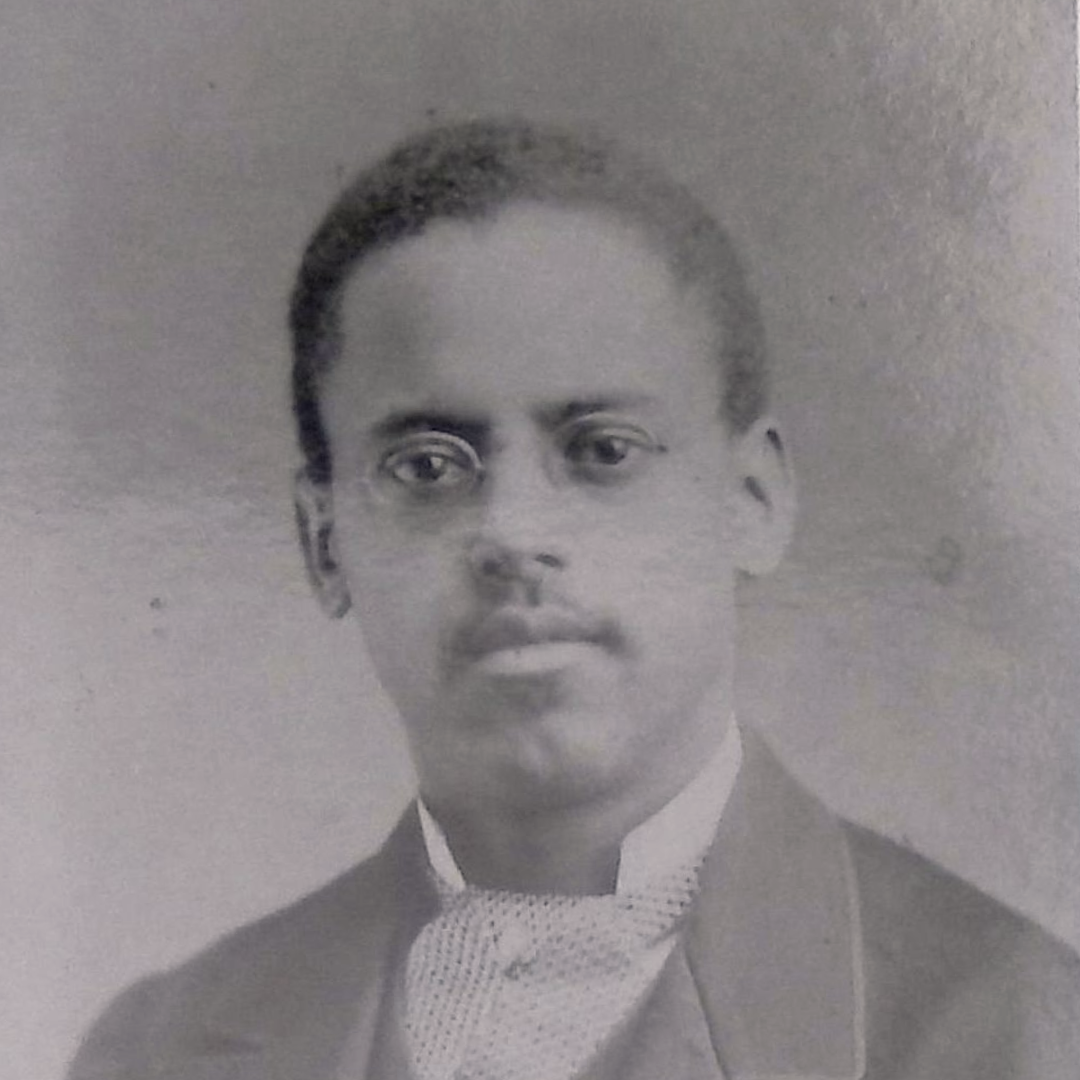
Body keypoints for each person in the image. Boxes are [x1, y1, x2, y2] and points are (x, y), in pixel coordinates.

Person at [68, 118, 1079, 1080]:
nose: (514, 533)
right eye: (427, 466)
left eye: (604, 451)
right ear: (325, 542)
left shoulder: (1020, 1032)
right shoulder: (157, 1051)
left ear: (752, 501)